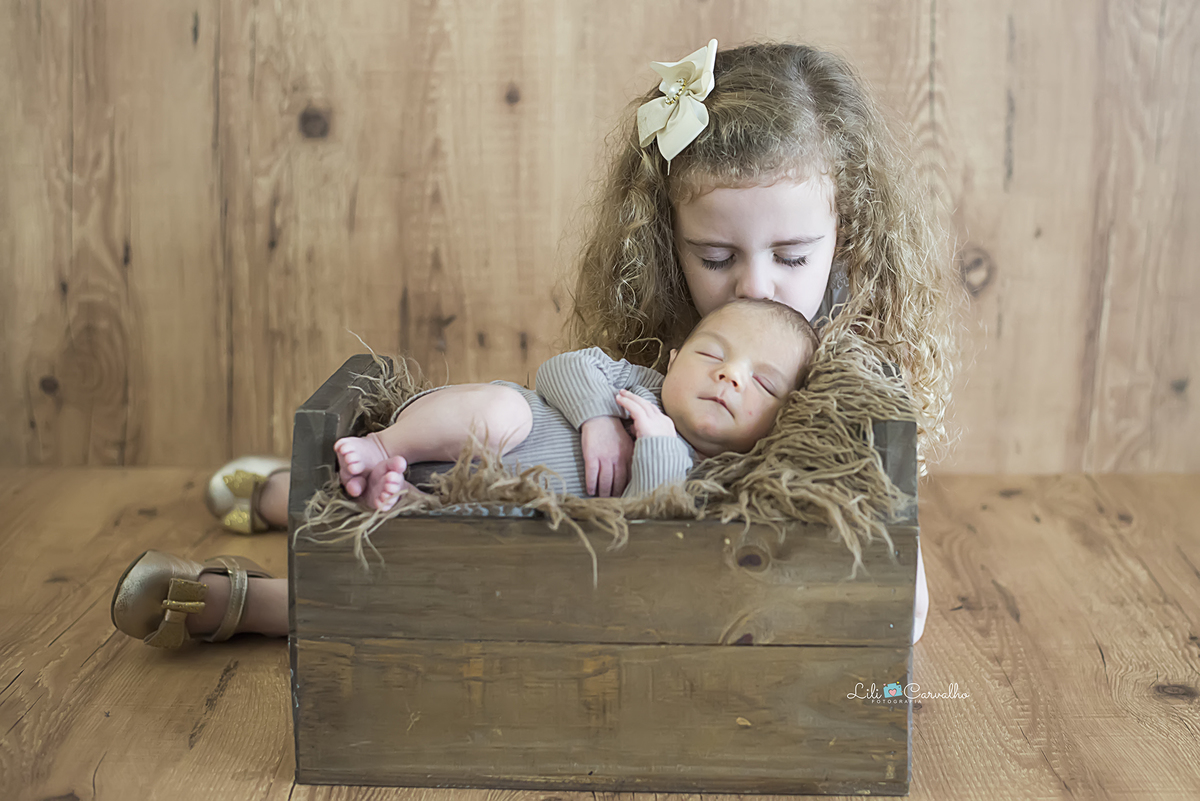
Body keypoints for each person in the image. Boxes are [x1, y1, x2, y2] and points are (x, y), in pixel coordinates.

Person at [111, 39, 956, 648]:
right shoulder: (664, 333)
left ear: (846, 240)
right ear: (667, 241)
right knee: (452, 470)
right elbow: (574, 387)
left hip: (631, 582)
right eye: (717, 256)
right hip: (532, 500)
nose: (755, 289)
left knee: (442, 596)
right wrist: (595, 415)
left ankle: (239, 598)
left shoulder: (843, 373)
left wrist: (891, 578)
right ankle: (288, 492)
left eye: (794, 257)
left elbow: (891, 571)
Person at [335, 299, 817, 513]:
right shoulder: (641, 384)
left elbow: (641, 524)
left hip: (497, 507)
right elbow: (564, 367)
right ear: (674, 360)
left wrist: (660, 448)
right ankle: (384, 446)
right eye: (711, 353)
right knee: (504, 412)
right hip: (465, 432)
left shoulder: (718, 483)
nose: (729, 374)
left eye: (763, 384)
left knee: (488, 540)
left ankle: (401, 500)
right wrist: (600, 418)